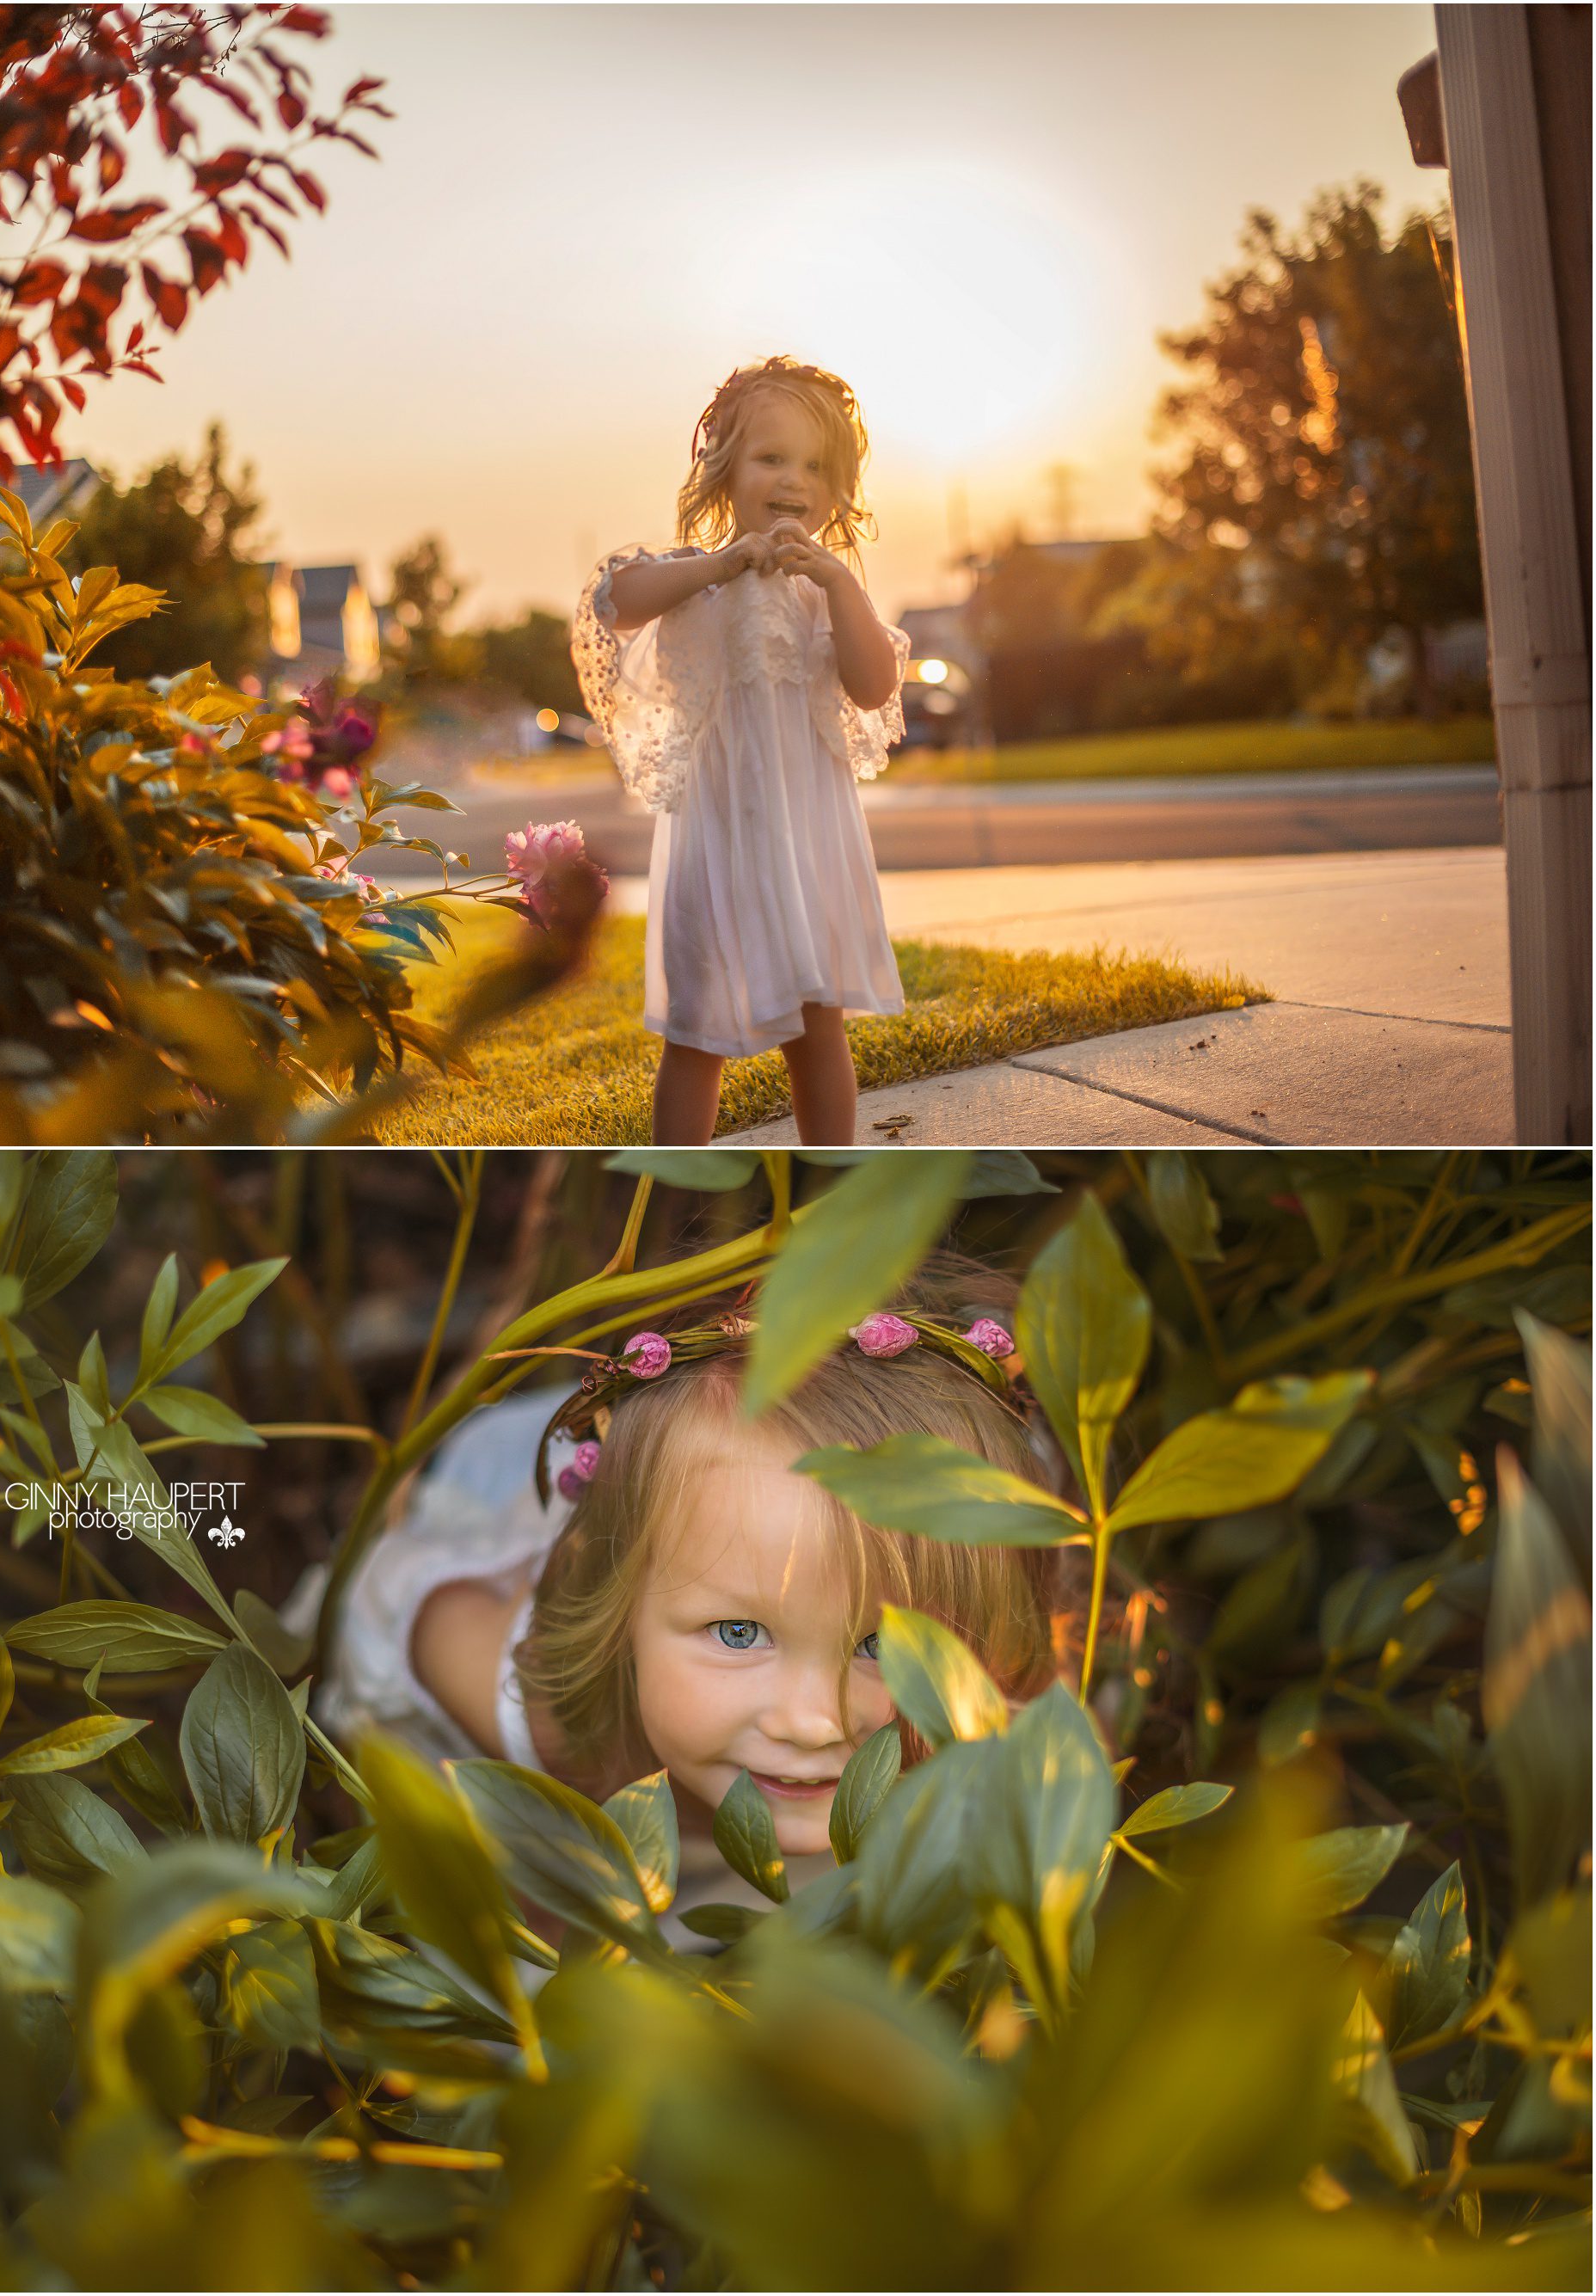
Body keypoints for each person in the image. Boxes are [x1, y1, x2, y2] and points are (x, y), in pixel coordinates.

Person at [313, 1279, 1061, 1931]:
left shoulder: (992, 1712)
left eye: (884, 1645)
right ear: (623, 1620)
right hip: (501, 1501)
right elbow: (388, 1608)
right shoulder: (557, 1725)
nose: (811, 1722)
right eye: (739, 1633)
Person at [569, 355, 912, 1148]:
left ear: (840, 490)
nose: (795, 480)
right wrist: (718, 564)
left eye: (817, 466)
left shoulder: (823, 592)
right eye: (771, 458)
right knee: (695, 1033)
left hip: (806, 845)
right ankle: (675, 1188)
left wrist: (842, 586)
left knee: (817, 1025)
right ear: (724, 469)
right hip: (716, 845)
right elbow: (614, 600)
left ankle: (829, 1176)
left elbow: (872, 684)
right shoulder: (699, 580)